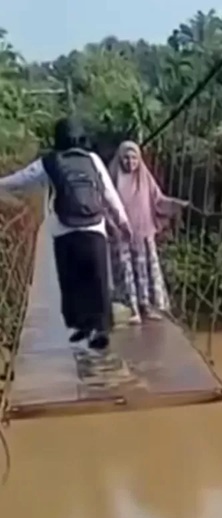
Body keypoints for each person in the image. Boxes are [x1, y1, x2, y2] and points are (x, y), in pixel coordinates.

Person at [0, 118, 132, 354]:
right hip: (95, 228)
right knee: (98, 281)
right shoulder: (92, 159)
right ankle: (99, 329)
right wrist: (123, 221)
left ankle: (80, 325)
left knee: (72, 282)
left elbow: (22, 179)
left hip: (64, 229)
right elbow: (109, 193)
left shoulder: (49, 162)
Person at [107, 140, 188, 324]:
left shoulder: (145, 178)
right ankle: (132, 309)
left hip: (143, 235)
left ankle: (147, 307)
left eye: (134, 157)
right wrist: (112, 226)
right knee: (126, 272)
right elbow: (105, 204)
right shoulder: (112, 179)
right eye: (126, 158)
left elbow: (158, 200)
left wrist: (177, 205)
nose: (130, 162)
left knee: (144, 271)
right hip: (121, 236)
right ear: (120, 159)